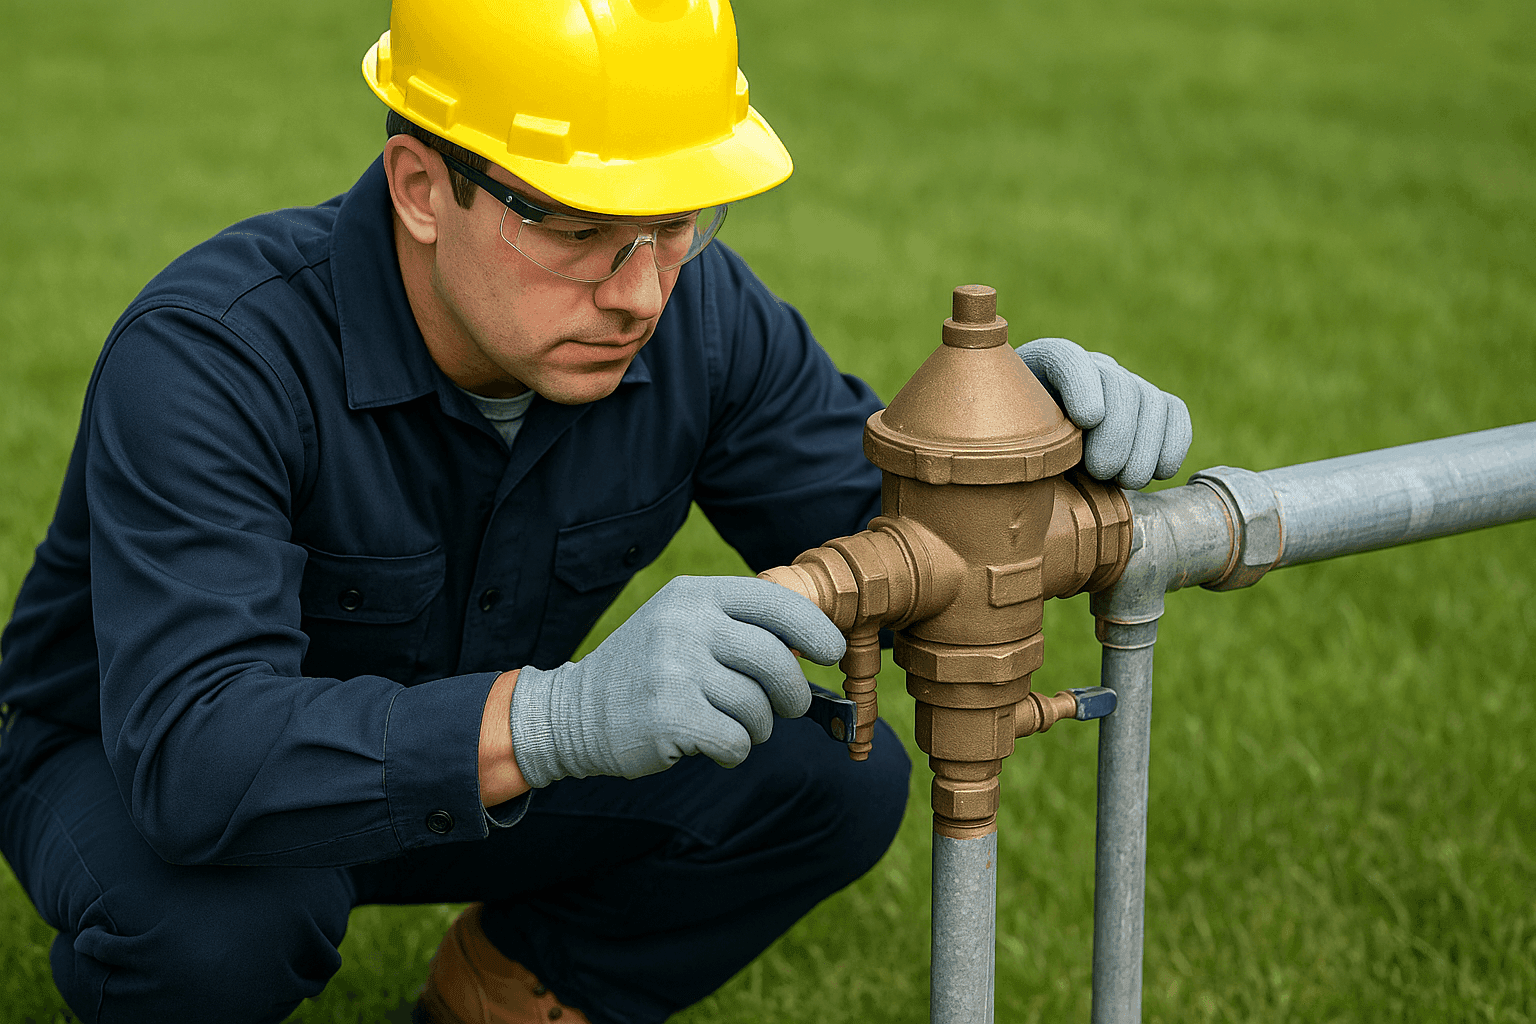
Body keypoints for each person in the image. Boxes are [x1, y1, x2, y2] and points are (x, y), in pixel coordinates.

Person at [0, 1, 1192, 1022]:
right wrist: (563, 719)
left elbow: (903, 553)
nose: (640, 293)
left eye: (677, 220)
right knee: (226, 932)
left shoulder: (701, 315)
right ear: (421, 186)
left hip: (473, 759)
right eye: (577, 227)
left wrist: (1008, 446)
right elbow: (201, 754)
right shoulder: (214, 357)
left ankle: (514, 982)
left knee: (829, 774)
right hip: (133, 759)